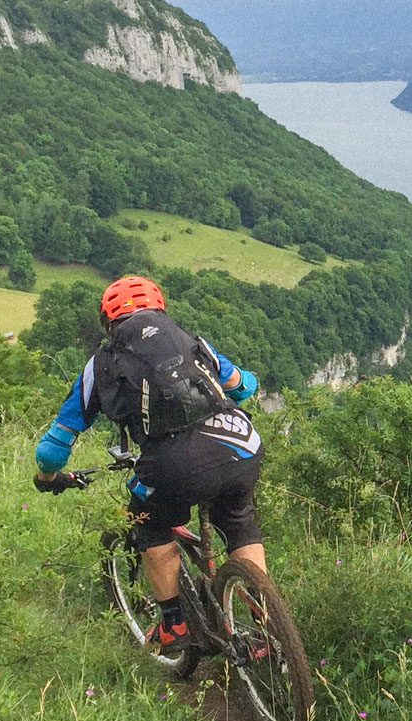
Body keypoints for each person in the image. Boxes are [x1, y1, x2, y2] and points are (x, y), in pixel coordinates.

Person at [32, 274, 264, 652]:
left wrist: (48, 477)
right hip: (240, 443)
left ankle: (173, 624)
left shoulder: (100, 364)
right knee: (239, 523)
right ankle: (264, 628)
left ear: (109, 323)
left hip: (174, 464)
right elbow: (243, 386)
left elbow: (54, 446)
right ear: (159, 309)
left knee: (148, 522)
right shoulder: (192, 340)